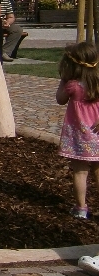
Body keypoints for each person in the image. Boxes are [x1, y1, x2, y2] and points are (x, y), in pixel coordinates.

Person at [56, 42, 99, 220]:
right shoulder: (97, 83)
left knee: (80, 172)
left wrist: (63, 81)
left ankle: (81, 208)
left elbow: (60, 100)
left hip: (80, 138)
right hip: (97, 136)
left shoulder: (72, 86)